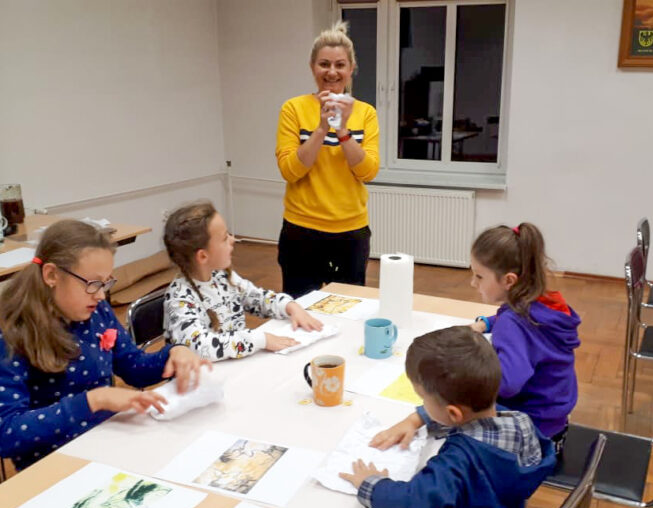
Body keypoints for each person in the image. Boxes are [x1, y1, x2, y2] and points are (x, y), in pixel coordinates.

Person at [0, 220, 208, 470]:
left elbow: (133, 367)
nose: (101, 295)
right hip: (54, 465)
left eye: (105, 283)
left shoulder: (96, 311)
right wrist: (93, 401)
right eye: (92, 283)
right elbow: (7, 433)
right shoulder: (11, 332)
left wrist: (174, 354)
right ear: (52, 275)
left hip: (107, 445)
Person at [339, 326, 555, 508]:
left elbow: (412, 503)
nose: (422, 404)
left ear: (453, 413)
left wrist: (371, 484)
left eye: (423, 398)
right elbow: (472, 415)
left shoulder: (456, 463)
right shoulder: (521, 421)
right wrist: (417, 418)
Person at [275, 21, 380, 298]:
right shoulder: (293, 109)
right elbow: (290, 171)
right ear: (313, 67)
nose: (332, 72)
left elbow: (368, 172)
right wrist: (322, 128)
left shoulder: (365, 113)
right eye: (324, 64)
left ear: (351, 69)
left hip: (351, 231)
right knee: (300, 309)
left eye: (340, 65)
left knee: (348, 308)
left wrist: (342, 130)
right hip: (301, 231)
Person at [467, 224, 580, 451]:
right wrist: (486, 323)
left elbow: (507, 384)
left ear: (509, 281)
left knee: (450, 430)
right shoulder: (545, 302)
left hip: (533, 435)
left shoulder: (512, 323)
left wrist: (470, 373)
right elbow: (517, 320)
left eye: (479, 276)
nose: (473, 283)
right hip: (554, 424)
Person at [163, 201, 322, 361]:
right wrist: (260, 339)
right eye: (224, 238)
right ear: (203, 256)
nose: (232, 239)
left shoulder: (222, 276)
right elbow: (200, 347)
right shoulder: (179, 299)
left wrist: (289, 306)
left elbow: (257, 298)